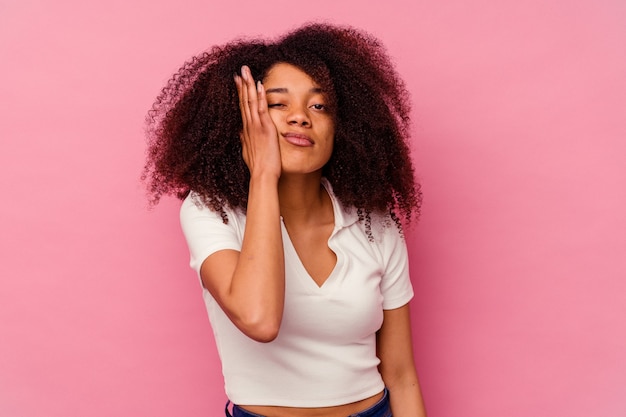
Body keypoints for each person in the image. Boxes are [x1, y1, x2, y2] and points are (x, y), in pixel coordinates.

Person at [143, 22, 427, 417]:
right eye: (277, 104)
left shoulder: (375, 224)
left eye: (319, 106)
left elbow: (401, 375)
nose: (300, 117)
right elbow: (259, 319)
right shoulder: (212, 211)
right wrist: (263, 174)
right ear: (240, 120)